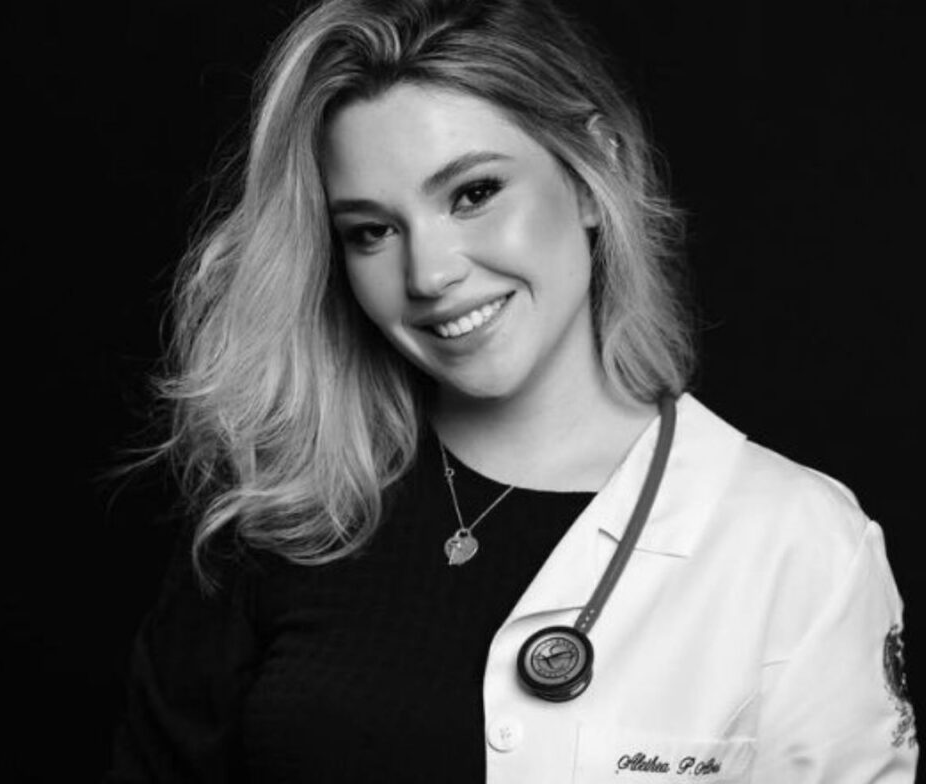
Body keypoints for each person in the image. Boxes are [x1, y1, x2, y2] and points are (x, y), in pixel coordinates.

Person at [106, 0, 917, 781]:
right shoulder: (282, 513)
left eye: (474, 194)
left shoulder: (796, 546)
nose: (429, 274)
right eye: (372, 231)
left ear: (597, 170)